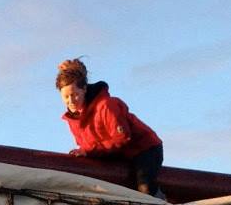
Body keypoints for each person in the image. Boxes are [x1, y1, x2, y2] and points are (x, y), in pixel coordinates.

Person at [56, 57, 165, 197]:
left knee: (145, 189)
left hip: (145, 149)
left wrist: (89, 151)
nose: (70, 101)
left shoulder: (107, 105)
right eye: (65, 97)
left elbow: (122, 138)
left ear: (84, 89)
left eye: (74, 95)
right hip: (114, 153)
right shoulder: (73, 119)